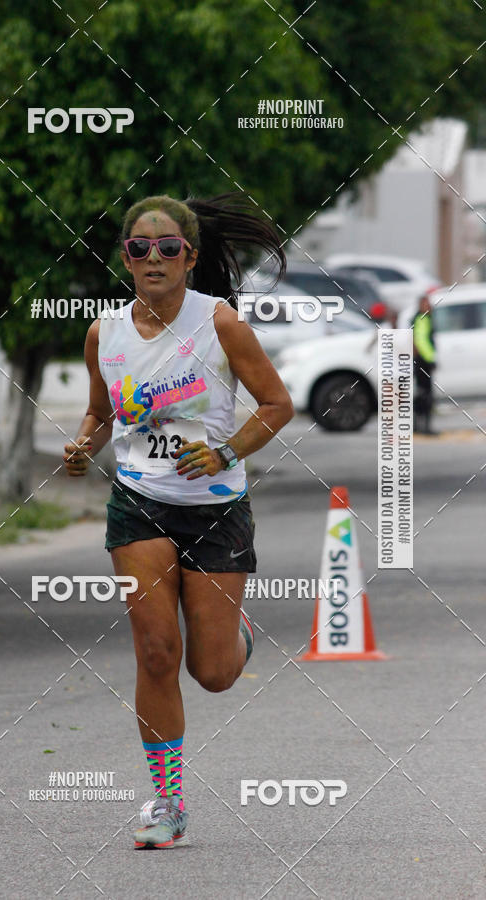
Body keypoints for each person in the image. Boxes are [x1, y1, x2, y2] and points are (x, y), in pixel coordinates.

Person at [63, 193, 294, 849]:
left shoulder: (219, 324)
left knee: (212, 672)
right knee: (157, 651)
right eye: (140, 248)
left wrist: (225, 451)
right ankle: (168, 803)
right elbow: (102, 412)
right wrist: (84, 444)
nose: (154, 257)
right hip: (139, 501)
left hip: (216, 507)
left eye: (168, 248)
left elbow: (276, 405)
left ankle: (234, 633)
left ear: (190, 257)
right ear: (125, 258)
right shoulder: (103, 334)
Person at [412, 292, 437, 435]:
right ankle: (424, 427)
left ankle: (417, 425)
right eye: (426, 303)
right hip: (423, 362)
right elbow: (421, 341)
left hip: (421, 361)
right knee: (425, 394)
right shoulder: (422, 318)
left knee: (421, 393)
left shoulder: (422, 318)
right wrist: (430, 359)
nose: (429, 306)